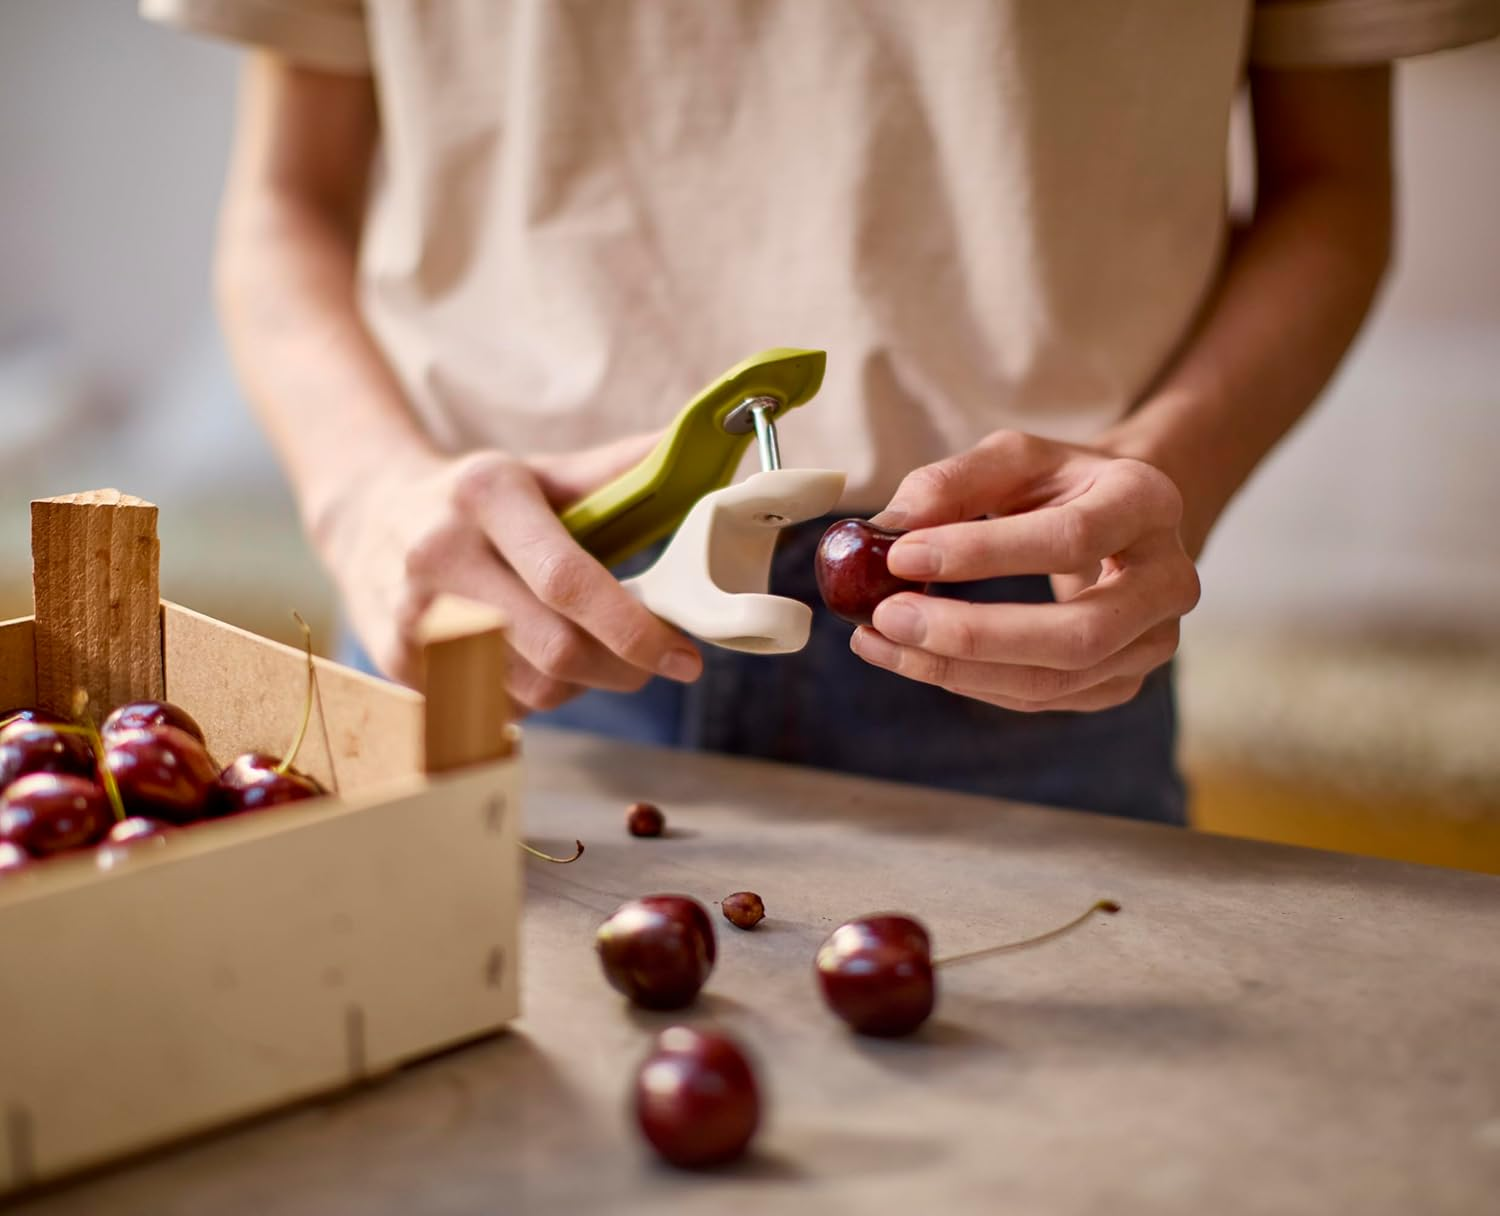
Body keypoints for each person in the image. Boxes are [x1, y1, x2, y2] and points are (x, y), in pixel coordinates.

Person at [143, 0, 1498, 824]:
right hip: (518, 615)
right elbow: (281, 201)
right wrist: (364, 495)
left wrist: (1164, 474)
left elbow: (1334, 189)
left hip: (1021, 635)